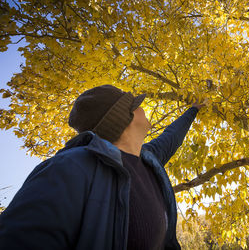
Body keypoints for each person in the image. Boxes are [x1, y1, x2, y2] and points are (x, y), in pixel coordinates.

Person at [0, 84, 207, 250]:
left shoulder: (148, 159)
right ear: (126, 117)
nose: (143, 108)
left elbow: (172, 136)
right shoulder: (69, 168)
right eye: (136, 104)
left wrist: (194, 109)